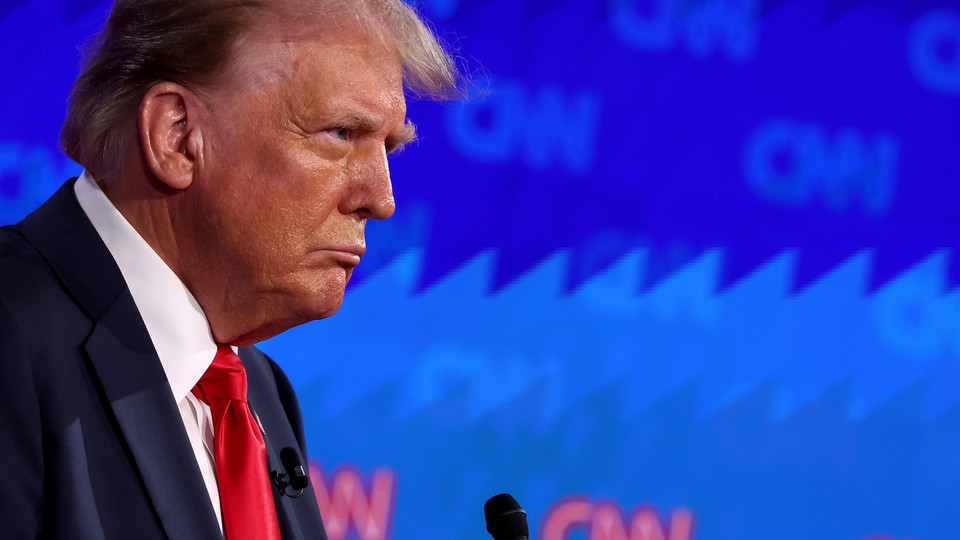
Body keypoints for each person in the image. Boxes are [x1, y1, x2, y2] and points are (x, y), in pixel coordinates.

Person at [0, 0, 459, 538]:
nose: (381, 200)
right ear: (176, 136)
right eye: (340, 133)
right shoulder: (12, 335)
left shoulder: (260, 392)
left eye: (389, 148)